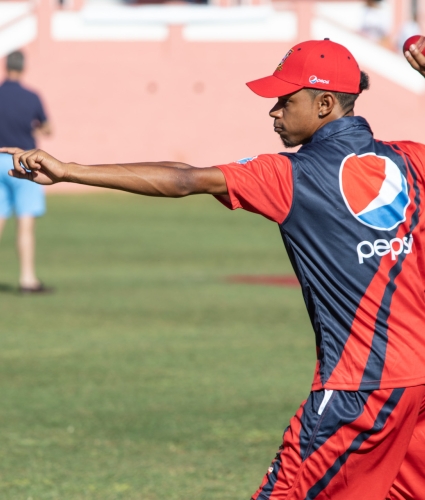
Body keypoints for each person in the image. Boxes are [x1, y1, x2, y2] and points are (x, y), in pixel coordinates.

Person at [2, 39, 425, 499]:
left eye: (285, 100)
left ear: (324, 103)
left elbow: (186, 179)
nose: (274, 112)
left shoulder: (291, 175)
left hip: (360, 389)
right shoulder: (411, 160)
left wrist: (69, 171)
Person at [0, 51, 52, 293]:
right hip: (24, 162)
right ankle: (27, 279)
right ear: (23, 68)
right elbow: (48, 127)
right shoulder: (32, 97)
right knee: (25, 222)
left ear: (5, 66)